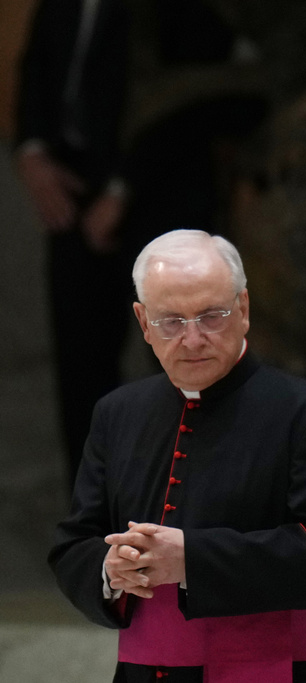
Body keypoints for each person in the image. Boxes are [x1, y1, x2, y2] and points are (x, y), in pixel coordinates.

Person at [49, 229, 306, 682]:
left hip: (264, 670)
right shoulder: (117, 413)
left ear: (244, 310)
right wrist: (108, 567)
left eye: (211, 316)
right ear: (142, 322)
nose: (193, 339)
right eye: (170, 322)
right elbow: (73, 544)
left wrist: (191, 559)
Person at [15, 0, 134, 489]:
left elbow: (182, 93)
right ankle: (90, 518)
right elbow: (37, 69)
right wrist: (32, 152)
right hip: (70, 182)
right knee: (81, 366)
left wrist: (123, 189)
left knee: (181, 364)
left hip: (150, 190)